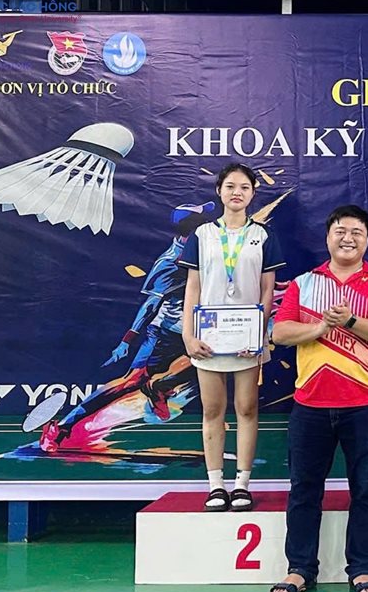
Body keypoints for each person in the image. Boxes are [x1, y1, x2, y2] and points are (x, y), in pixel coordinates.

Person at [270, 205, 368, 592]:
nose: (348, 238)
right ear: (328, 237)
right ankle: (299, 569)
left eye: (357, 232)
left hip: (364, 403)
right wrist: (319, 327)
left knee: (366, 489)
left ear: (367, 239)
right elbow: (280, 332)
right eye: (341, 231)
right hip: (310, 404)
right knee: (304, 489)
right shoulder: (305, 283)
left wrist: (350, 322)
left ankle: (362, 569)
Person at [38, 202, 215, 452]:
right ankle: (63, 427)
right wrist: (127, 340)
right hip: (166, 334)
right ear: (192, 227)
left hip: (199, 330)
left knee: (212, 360)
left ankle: (160, 387)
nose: (209, 222)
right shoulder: (169, 263)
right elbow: (150, 305)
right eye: (203, 220)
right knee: (129, 382)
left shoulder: (207, 250)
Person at [180, 164, 284, 512]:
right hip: (208, 338)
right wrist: (188, 335)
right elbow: (192, 288)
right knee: (212, 409)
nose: (236, 192)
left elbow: (268, 290)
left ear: (253, 193)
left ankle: (241, 484)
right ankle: (215, 485)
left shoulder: (263, 235)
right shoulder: (202, 235)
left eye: (244, 187)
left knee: (247, 408)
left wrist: (258, 333)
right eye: (230, 186)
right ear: (219, 191)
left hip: (247, 339)